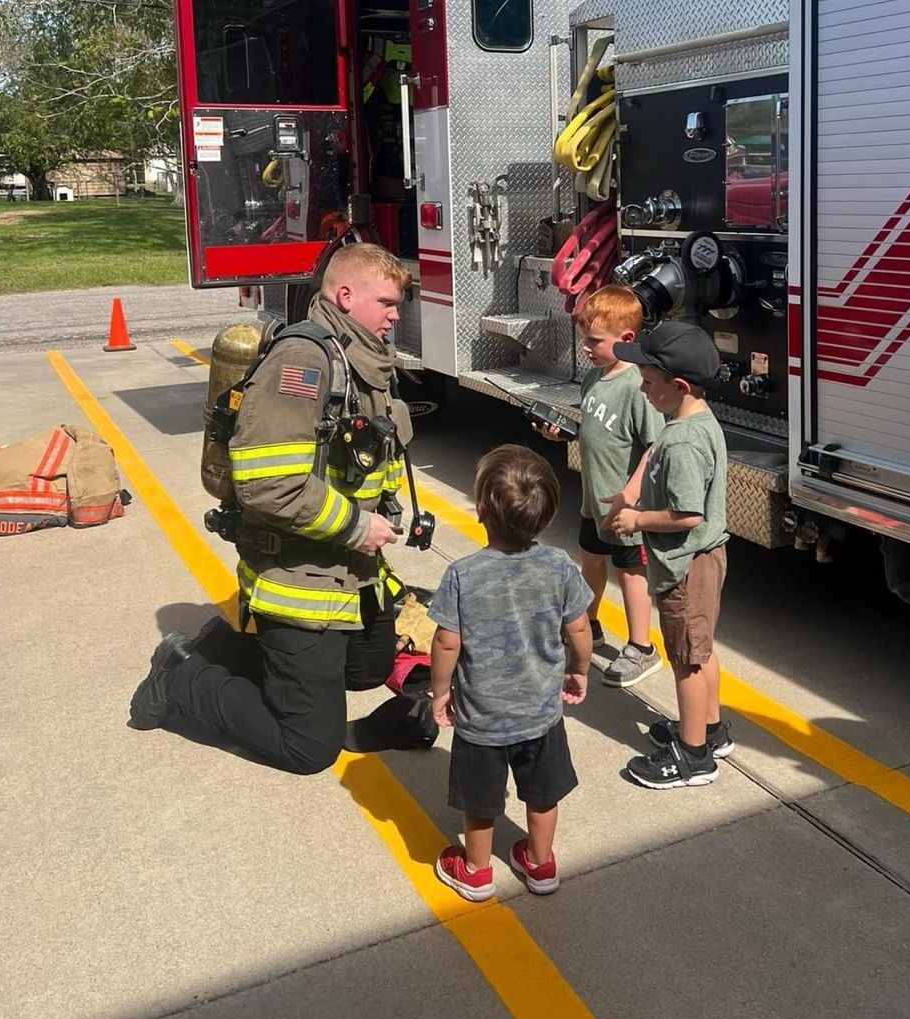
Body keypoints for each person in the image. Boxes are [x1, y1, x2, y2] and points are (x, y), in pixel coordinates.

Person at [129, 242, 421, 774]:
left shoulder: (365, 360)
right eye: (387, 302)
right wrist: (357, 526)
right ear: (346, 295)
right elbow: (270, 485)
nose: (396, 314)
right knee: (309, 749)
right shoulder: (304, 363)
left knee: (367, 669)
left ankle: (234, 649)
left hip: (352, 569)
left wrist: (386, 516)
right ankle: (180, 678)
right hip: (301, 574)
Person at [428, 445, 592, 900]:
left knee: (480, 802)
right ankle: (540, 864)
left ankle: (476, 870)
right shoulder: (558, 565)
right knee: (542, 794)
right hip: (541, 713)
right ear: (546, 513)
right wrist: (579, 669)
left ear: (480, 510)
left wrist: (439, 692)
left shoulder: (463, 575)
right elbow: (579, 628)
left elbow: (446, 642)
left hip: (482, 718)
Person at [604, 322, 734, 789]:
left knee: (686, 661)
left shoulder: (681, 442)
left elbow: (686, 516)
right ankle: (711, 728)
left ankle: (694, 756)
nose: (640, 386)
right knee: (700, 650)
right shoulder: (696, 421)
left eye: (647, 380)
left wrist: (637, 520)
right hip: (703, 561)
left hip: (687, 566)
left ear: (677, 387)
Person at [551, 285, 662, 687]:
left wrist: (631, 493)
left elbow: (654, 445)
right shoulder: (594, 378)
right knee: (590, 559)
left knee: (630, 572)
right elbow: (593, 429)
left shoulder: (637, 387)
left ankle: (641, 648)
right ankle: (588, 624)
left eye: (594, 341)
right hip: (593, 501)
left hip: (624, 505)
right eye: (584, 339)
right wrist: (562, 433)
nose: (586, 348)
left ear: (627, 340)